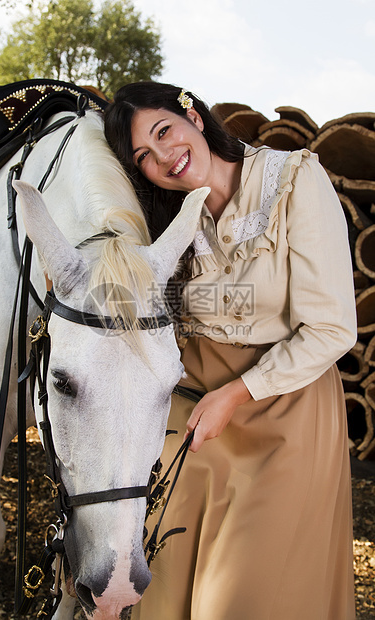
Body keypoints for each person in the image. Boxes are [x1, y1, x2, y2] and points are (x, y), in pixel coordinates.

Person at [104, 82, 357, 620]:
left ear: (192, 114)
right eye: (143, 157)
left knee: (241, 599)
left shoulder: (293, 181)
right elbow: (172, 304)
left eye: (163, 131)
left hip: (283, 406)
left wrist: (236, 394)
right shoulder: (169, 220)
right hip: (189, 411)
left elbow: (334, 328)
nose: (163, 157)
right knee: (153, 582)